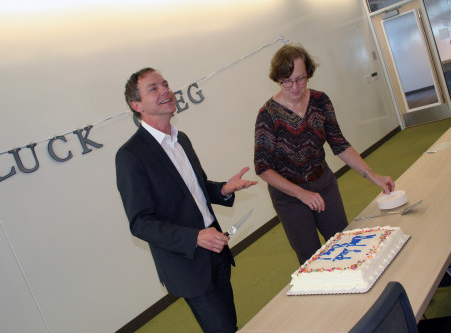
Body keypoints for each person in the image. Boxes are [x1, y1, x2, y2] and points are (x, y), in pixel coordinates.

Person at [116, 67, 257, 333]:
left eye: (165, 84)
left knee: (231, 324)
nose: (165, 90)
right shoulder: (131, 155)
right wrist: (195, 238)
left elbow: (196, 191)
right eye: (154, 88)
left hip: (216, 251)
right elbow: (141, 223)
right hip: (187, 263)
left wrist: (223, 189)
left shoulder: (182, 140)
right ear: (136, 105)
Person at [254, 44, 395, 265]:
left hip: (323, 183)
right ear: (278, 79)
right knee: (313, 258)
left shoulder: (320, 101)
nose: (294, 86)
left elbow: (339, 144)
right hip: (290, 196)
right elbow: (263, 167)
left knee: (344, 243)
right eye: (287, 81)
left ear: (308, 73)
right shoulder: (268, 114)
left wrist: (373, 175)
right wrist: (301, 194)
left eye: (300, 79)